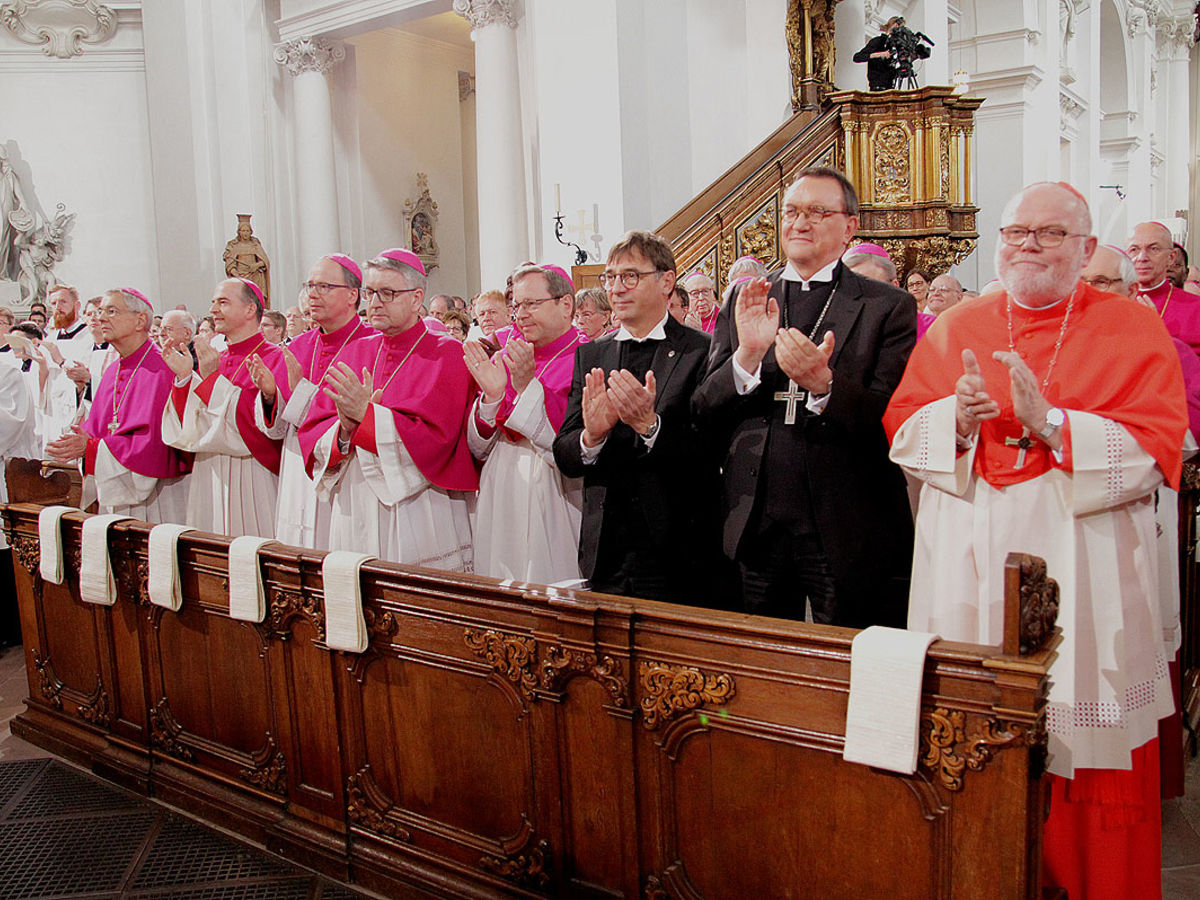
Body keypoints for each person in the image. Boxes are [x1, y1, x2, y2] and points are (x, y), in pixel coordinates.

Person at [884, 182, 1185, 900]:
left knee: (1085, 739)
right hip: (969, 556)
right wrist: (954, 421)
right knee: (973, 727)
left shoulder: (1131, 327)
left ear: (1085, 250)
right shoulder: (958, 326)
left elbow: (1157, 446)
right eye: (1018, 231)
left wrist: (1054, 424)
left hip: (1082, 555)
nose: (1028, 244)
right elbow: (902, 427)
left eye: (1050, 233)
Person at [693, 166, 916, 626]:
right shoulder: (747, 295)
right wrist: (747, 358)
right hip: (755, 522)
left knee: (847, 663)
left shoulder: (885, 306)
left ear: (849, 226)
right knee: (763, 665)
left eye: (817, 212)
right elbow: (703, 408)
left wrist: (825, 386)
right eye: (791, 211)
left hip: (843, 522)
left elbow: (894, 417)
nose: (800, 223)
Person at [554, 230, 718, 604]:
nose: (617, 288)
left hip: (679, 547)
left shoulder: (701, 351)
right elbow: (564, 453)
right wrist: (591, 437)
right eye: (610, 277)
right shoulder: (592, 354)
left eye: (630, 276)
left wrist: (650, 428)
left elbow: (713, 450)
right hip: (608, 550)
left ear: (666, 281)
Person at [299, 249, 478, 569]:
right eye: (370, 292)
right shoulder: (355, 351)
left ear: (416, 297)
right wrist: (344, 429)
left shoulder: (447, 354)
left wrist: (365, 418)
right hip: (355, 504)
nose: (375, 302)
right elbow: (314, 430)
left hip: (418, 509)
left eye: (388, 293)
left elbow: (438, 441)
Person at [466, 264, 585, 584]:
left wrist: (524, 389)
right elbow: (477, 449)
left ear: (565, 305)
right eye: (516, 305)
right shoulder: (503, 357)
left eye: (532, 304)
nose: (521, 314)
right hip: (499, 491)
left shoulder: (587, 358)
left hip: (555, 493)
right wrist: (491, 398)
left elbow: (572, 450)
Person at [249, 254, 373, 550]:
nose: (312, 294)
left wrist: (302, 393)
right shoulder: (299, 346)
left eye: (324, 286)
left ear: (352, 295)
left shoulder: (372, 344)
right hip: (297, 472)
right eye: (310, 285)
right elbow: (278, 428)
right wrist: (270, 396)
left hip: (347, 473)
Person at [47, 288, 192, 521]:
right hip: (115, 488)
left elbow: (156, 443)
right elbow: (98, 427)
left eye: (111, 311)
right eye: (101, 311)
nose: (101, 318)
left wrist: (91, 448)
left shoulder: (164, 366)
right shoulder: (112, 369)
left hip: (160, 495)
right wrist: (79, 441)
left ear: (140, 320)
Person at [161, 278, 289, 537]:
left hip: (253, 474)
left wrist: (210, 381)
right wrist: (186, 378)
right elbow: (194, 426)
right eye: (213, 303)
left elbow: (264, 426)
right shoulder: (217, 358)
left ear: (250, 310)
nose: (213, 310)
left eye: (223, 302)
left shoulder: (276, 357)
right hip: (209, 472)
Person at [1128, 221, 1200, 357]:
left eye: (1153, 249)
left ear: (1171, 257)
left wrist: (1159, 337)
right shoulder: (1114, 302)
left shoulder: (1196, 308)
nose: (1142, 257)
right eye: (1134, 249)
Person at [852, 16, 924, 91]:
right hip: (877, 90)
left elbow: (892, 71)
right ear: (895, 25)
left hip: (890, 89)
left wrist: (911, 58)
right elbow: (857, 57)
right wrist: (879, 54)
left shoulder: (895, 46)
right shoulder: (878, 41)